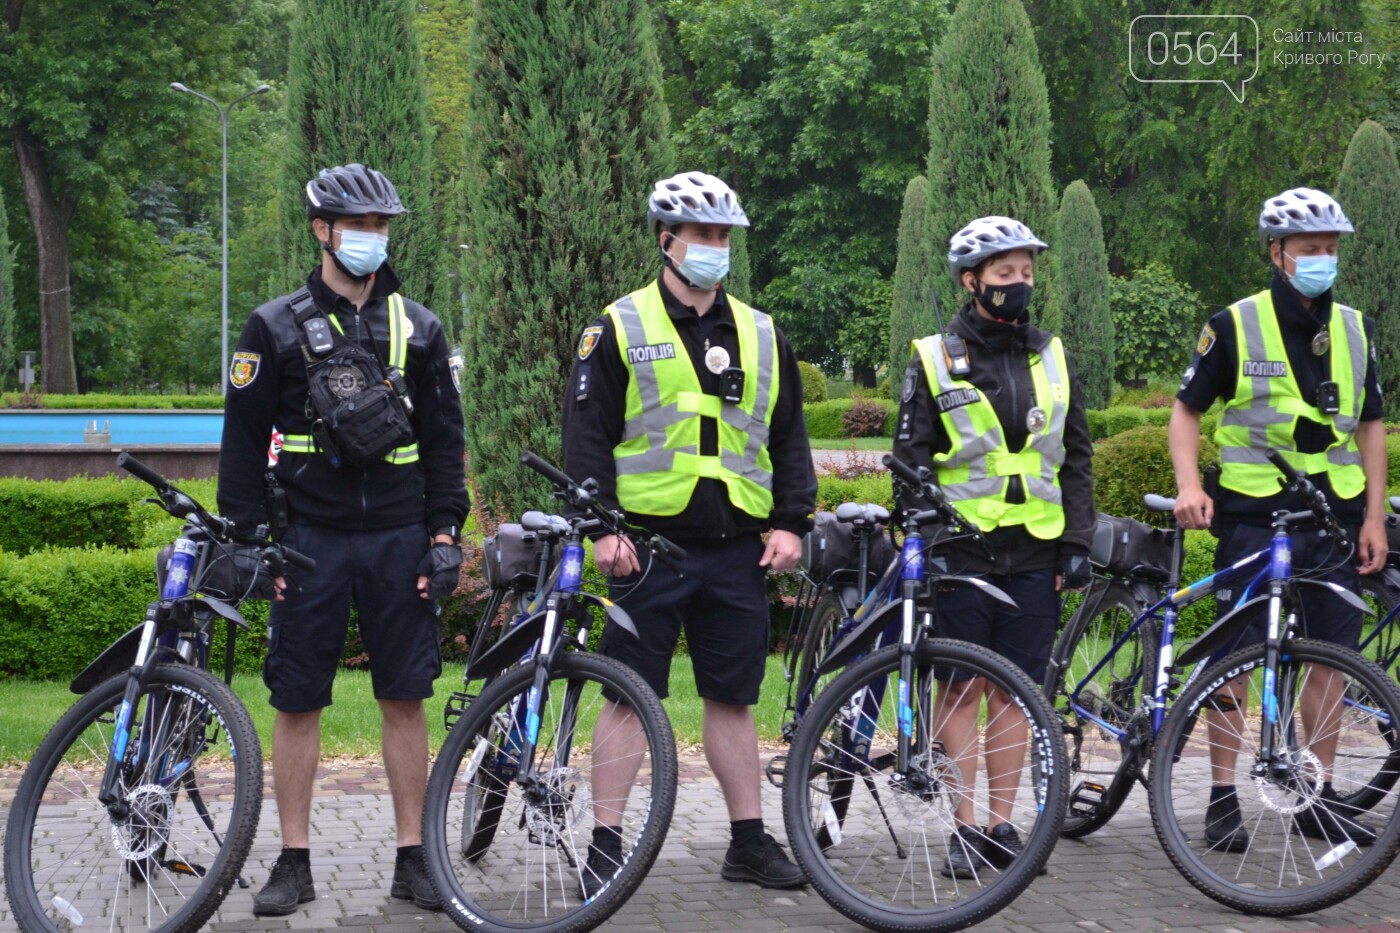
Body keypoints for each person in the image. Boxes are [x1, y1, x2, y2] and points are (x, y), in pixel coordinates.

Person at [218, 163, 468, 916]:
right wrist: (251, 545)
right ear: (321, 230)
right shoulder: (272, 325)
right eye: (359, 224)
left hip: (399, 538)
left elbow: (444, 437)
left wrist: (446, 533)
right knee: (296, 702)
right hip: (309, 542)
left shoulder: (418, 326)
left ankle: (412, 858)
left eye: (382, 225)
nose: (372, 238)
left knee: (406, 697)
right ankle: (293, 861)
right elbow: (242, 441)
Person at [562, 171, 817, 894]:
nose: (714, 248)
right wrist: (600, 528)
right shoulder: (619, 325)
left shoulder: (763, 332)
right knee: (625, 694)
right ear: (666, 241)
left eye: (723, 236)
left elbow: (789, 435)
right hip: (645, 545)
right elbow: (586, 436)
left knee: (733, 697)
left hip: (737, 546)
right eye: (702, 235)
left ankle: (747, 841)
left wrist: (791, 521)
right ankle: (606, 844)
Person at [1170, 186, 1386, 851]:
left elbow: (1372, 426)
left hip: (1335, 517)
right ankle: (1222, 796)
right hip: (1254, 515)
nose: (1323, 258)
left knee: (1331, 662)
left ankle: (1312, 797)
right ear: (1277, 252)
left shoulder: (1354, 327)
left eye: (1330, 248)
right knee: (1236, 660)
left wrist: (1375, 515)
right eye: (1309, 248)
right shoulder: (1234, 324)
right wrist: (1187, 486)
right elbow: (1186, 411)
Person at [891, 215, 1095, 878]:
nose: (1020, 282)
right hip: (964, 550)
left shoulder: (1052, 353)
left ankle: (1003, 829)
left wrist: (1078, 541)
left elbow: (1077, 456)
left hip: (1035, 549)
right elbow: (909, 461)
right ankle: (965, 825)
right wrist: (925, 536)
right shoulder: (934, 357)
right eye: (1005, 272)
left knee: (1017, 693)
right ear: (972, 280)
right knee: (958, 689)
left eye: (1027, 271)